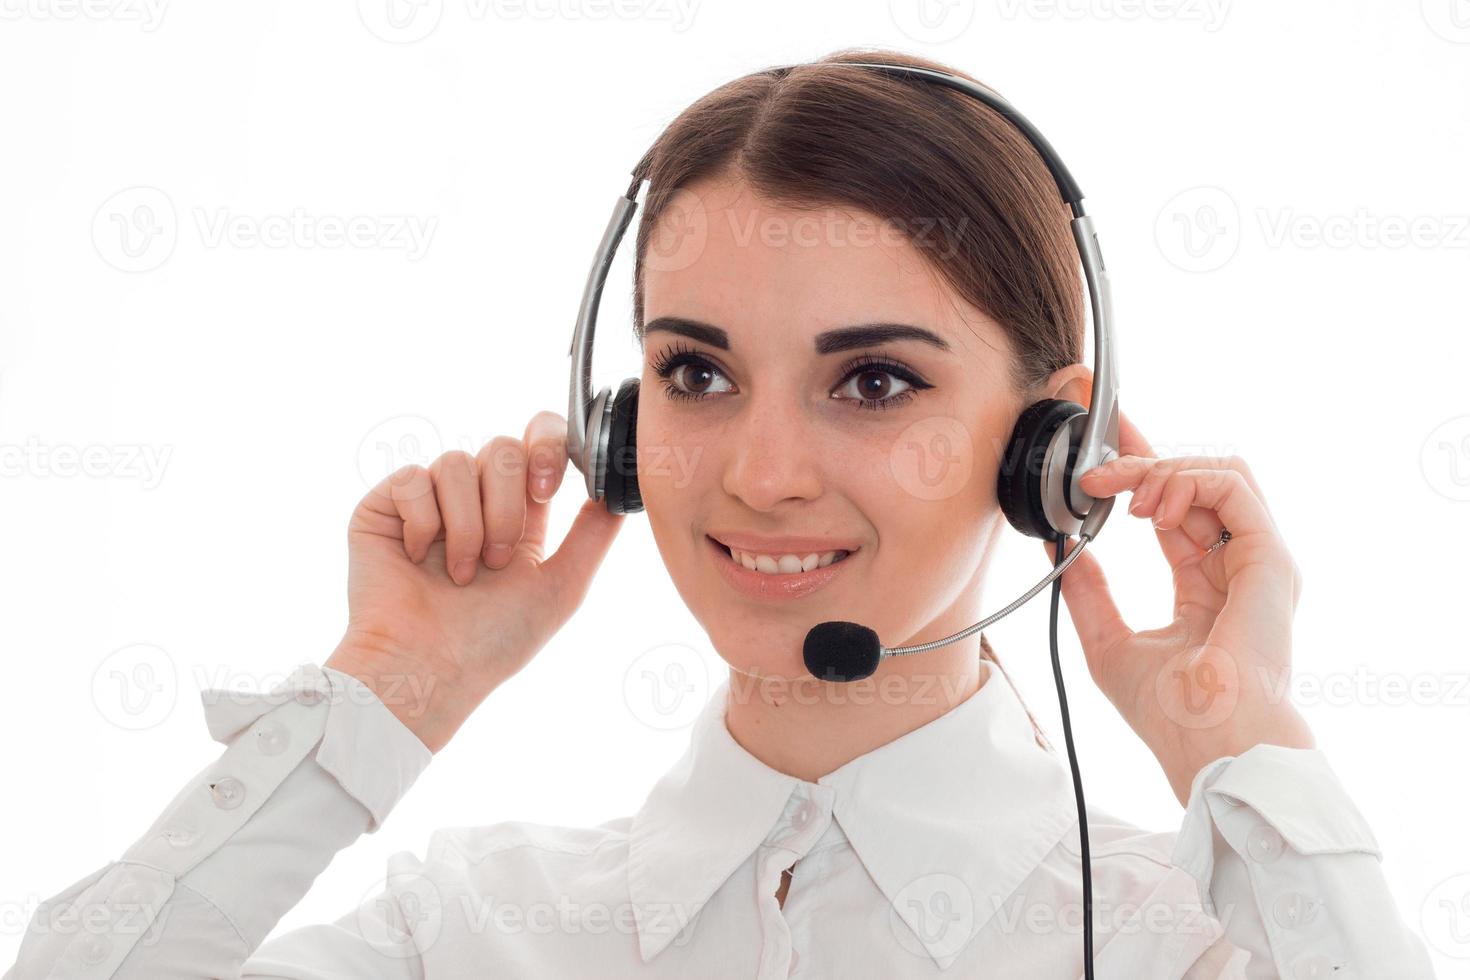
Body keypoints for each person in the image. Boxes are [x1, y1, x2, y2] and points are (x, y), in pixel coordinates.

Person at [6, 49, 1434, 979]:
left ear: (1048, 444)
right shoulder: (474, 932)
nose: (758, 474)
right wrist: (389, 695)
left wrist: (1243, 750)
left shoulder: (1195, 945)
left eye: (872, 381)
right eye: (694, 372)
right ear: (619, 424)